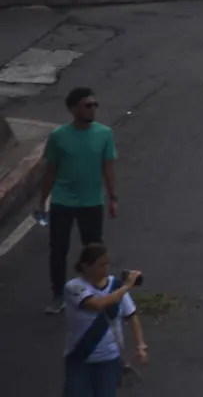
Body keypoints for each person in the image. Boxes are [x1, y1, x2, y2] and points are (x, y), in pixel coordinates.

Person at [42, 88, 117, 316]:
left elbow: (108, 168)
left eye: (95, 104)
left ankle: (97, 290)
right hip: (63, 200)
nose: (92, 109)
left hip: (91, 201)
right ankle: (58, 295)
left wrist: (113, 197)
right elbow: (50, 171)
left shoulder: (104, 133)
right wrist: (41, 201)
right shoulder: (58, 137)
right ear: (73, 109)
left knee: (93, 248)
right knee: (58, 249)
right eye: (87, 105)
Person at [62, 244, 146, 397]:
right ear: (85, 266)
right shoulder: (73, 287)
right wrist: (126, 286)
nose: (106, 268)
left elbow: (131, 316)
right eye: (101, 265)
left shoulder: (116, 286)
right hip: (79, 358)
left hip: (109, 359)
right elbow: (96, 305)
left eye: (107, 263)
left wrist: (140, 345)